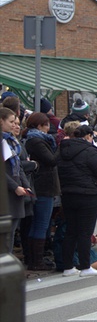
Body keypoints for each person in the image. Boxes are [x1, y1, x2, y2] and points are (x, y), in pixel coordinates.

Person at [56, 125, 97, 276]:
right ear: (88, 137)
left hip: (67, 194)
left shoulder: (62, 150)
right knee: (85, 232)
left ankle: (68, 267)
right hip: (87, 195)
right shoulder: (89, 151)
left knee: (71, 231)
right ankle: (86, 266)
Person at [22, 112, 60, 271]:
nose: (48, 128)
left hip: (43, 185)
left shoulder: (37, 140)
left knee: (40, 223)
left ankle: (35, 258)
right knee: (41, 223)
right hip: (43, 186)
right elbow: (51, 160)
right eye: (46, 125)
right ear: (39, 126)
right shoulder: (36, 141)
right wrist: (61, 146)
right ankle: (36, 261)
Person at [1, 107, 32, 255]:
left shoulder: (12, 141)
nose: (15, 125)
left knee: (11, 234)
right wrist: (15, 187)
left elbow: (18, 165)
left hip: (15, 192)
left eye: (16, 122)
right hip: (6, 193)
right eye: (11, 122)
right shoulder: (3, 141)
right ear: (1, 121)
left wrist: (25, 185)